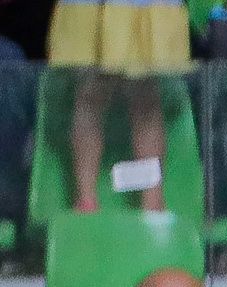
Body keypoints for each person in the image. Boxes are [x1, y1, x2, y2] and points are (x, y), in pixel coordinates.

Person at [47, 0, 181, 220]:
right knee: (90, 93)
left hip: (145, 5)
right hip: (89, 7)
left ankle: (153, 203)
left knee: (146, 99)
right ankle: (86, 202)